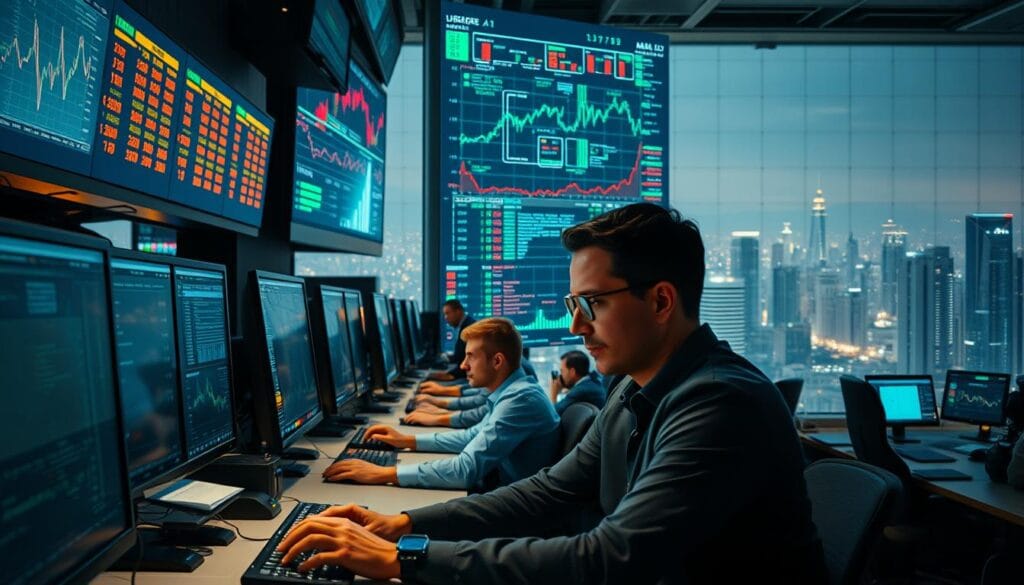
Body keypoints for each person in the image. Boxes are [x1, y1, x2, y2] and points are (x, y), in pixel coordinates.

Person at [279, 203, 826, 584]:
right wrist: (403, 525)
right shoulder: (633, 391)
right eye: (572, 305)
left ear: (661, 302)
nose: (575, 327)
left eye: (590, 305)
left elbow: (609, 560)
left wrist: (407, 558)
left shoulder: (720, 405)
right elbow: (545, 493)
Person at [322, 317, 559, 491]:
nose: (463, 365)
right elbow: (471, 437)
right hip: (502, 491)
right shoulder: (513, 393)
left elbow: (465, 470)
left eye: (470, 357)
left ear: (497, 361)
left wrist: (384, 473)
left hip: (515, 513)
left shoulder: (521, 400)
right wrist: (407, 441)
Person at [427, 299, 474, 381]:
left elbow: (468, 362)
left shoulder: (468, 329)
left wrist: (451, 375)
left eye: (447, 313)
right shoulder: (467, 325)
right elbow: (461, 357)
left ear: (458, 311)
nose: (445, 318)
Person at [549, 349, 606, 415]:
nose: (561, 375)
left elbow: (554, 416)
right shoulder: (591, 382)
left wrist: (553, 394)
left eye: (562, 371)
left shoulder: (580, 391)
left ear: (572, 372)